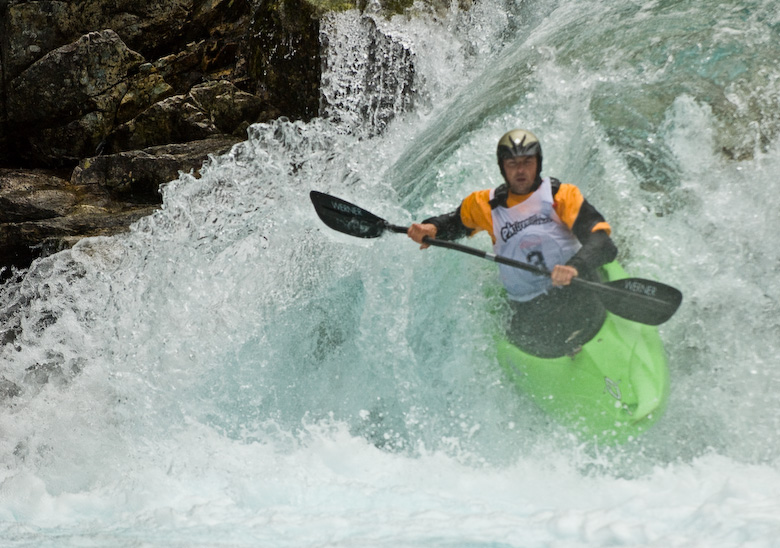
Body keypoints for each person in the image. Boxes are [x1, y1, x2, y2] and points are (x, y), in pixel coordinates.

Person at [407, 129, 618, 358]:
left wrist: (575, 266)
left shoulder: (561, 196)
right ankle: (557, 354)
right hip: (529, 307)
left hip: (577, 289)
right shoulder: (484, 205)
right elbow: (454, 222)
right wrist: (431, 228)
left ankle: (584, 342)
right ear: (502, 167)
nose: (520, 171)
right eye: (512, 163)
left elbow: (603, 243)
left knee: (582, 313)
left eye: (527, 162)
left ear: (538, 163)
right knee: (529, 337)